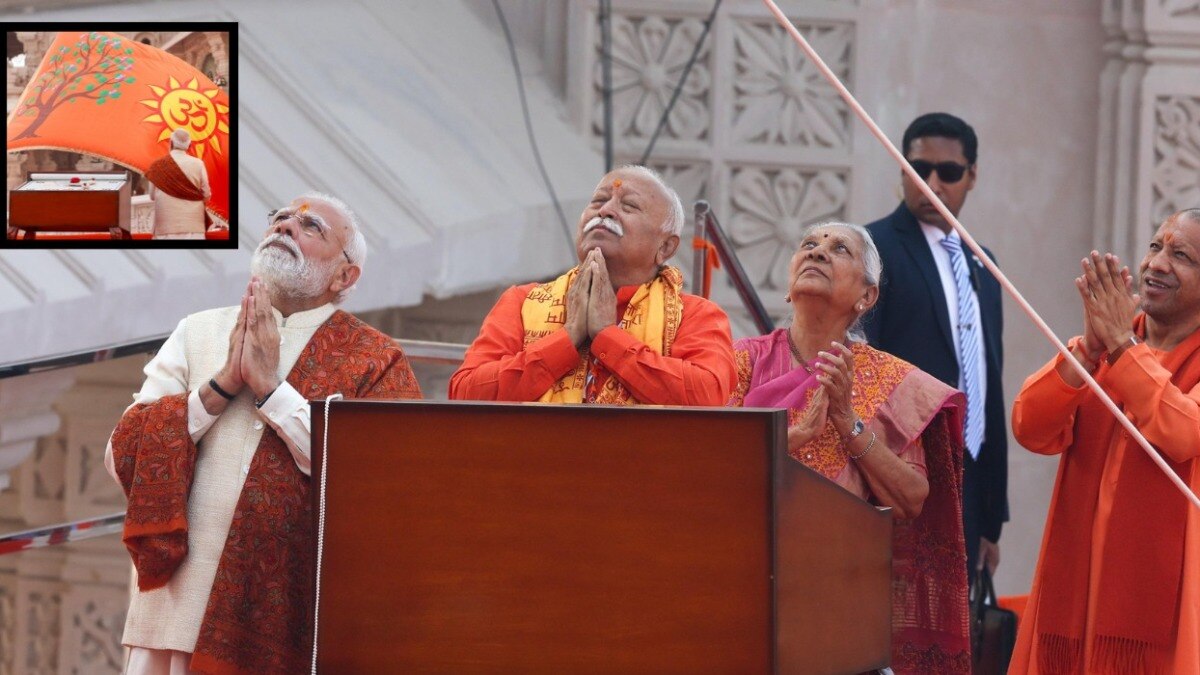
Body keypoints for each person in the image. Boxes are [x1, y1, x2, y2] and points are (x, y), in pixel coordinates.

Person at [105, 193, 423, 674]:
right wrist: (219, 388)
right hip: (176, 609)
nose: (285, 226)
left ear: (345, 275)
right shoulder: (198, 331)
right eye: (279, 218)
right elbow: (121, 454)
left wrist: (272, 390)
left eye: (310, 225)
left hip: (291, 621)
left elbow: (381, 480)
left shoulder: (375, 359)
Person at [729, 222, 971, 675]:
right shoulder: (742, 359)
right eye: (808, 245)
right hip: (742, 586)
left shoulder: (891, 381)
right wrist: (794, 438)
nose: (818, 252)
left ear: (867, 297)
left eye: (839, 249)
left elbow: (912, 498)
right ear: (789, 283)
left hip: (838, 601)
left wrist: (848, 423)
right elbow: (710, 466)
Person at [1010, 208, 1200, 674]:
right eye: (1155, 246)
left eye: (1181, 255)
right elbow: (1030, 427)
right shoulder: (1103, 352)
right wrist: (1089, 351)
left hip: (1162, 616)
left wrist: (1120, 347)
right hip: (1072, 607)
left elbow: (1182, 432)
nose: (1156, 263)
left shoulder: (1124, 350)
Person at [450, 164, 737, 406]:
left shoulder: (697, 316)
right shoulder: (522, 302)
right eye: (599, 201)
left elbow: (707, 395)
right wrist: (568, 337)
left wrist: (607, 337)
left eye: (629, 206)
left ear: (665, 247)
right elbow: (465, 393)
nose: (606, 211)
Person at [863, 112, 1006, 584]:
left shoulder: (982, 262)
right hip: (900, 475)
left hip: (968, 483)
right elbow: (863, 366)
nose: (931, 183)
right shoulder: (872, 247)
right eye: (918, 167)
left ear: (971, 176)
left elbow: (987, 382)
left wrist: (992, 516)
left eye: (948, 172)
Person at [147, 128, 212, 240]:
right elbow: (206, 194)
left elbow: (152, 196)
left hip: (165, 227)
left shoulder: (156, 166)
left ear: (171, 143)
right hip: (193, 226)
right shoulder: (198, 164)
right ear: (189, 145)